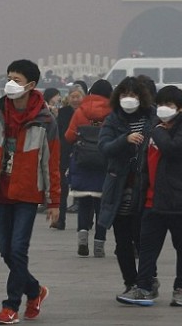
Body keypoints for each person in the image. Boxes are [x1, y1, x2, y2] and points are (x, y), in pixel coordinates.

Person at [0, 59, 61, 325]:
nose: (10, 84)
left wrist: (54, 201)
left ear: (31, 85)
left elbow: (51, 163)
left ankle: (11, 305)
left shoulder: (45, 120)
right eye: (8, 78)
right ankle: (34, 290)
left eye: (16, 80)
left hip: (28, 192)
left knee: (18, 248)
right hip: (2, 191)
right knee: (5, 249)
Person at [116, 85, 182, 308]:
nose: (164, 109)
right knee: (147, 247)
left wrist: (158, 131)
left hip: (180, 202)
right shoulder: (154, 128)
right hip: (152, 199)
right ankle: (143, 287)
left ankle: (181, 289)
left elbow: (173, 148)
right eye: (161, 104)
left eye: (170, 105)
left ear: (180, 108)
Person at [98, 76, 154, 296]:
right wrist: (125, 139)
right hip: (120, 187)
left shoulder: (152, 117)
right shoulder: (113, 120)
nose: (128, 99)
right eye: (124, 95)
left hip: (145, 187)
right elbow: (104, 147)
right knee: (122, 240)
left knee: (145, 238)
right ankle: (130, 281)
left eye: (132, 95)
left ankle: (148, 280)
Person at [65, 79, 113, 257]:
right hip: (104, 164)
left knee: (84, 203)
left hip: (83, 163)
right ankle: (99, 244)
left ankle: (82, 238)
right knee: (102, 206)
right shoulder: (112, 112)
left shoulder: (80, 111)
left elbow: (69, 136)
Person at [54, 83, 87, 229]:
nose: (75, 100)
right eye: (72, 97)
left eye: (77, 97)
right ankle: (61, 219)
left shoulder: (87, 112)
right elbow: (59, 133)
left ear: (83, 97)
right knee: (62, 187)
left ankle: (86, 221)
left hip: (84, 153)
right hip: (65, 152)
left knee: (84, 187)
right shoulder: (63, 112)